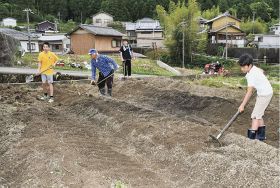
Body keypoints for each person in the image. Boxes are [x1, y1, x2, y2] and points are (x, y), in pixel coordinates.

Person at [238, 53, 273, 140]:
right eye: (241, 66)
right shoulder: (254, 69)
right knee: (259, 115)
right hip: (264, 92)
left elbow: (249, 92)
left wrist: (242, 105)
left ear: (249, 65)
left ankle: (251, 140)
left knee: (254, 116)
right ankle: (261, 137)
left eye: (243, 67)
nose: (241, 69)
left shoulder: (251, 75)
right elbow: (262, 71)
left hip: (265, 94)